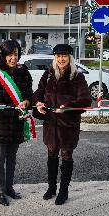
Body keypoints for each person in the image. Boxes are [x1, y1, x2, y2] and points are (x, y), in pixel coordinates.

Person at [33, 44, 91, 205]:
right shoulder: (49, 74)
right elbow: (38, 92)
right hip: (51, 123)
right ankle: (51, 187)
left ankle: (63, 191)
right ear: (55, 58)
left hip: (68, 125)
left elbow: (85, 100)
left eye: (64, 56)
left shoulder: (77, 77)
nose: (61, 59)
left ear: (70, 58)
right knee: (51, 154)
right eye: (58, 56)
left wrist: (69, 107)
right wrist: (38, 103)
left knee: (66, 155)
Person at [0, 40, 33, 206]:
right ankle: (0, 191)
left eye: (16, 54)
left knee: (12, 160)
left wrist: (26, 102)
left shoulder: (23, 72)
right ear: (2, 56)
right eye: (10, 55)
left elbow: (29, 95)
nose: (13, 58)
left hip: (16, 122)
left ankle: (9, 187)